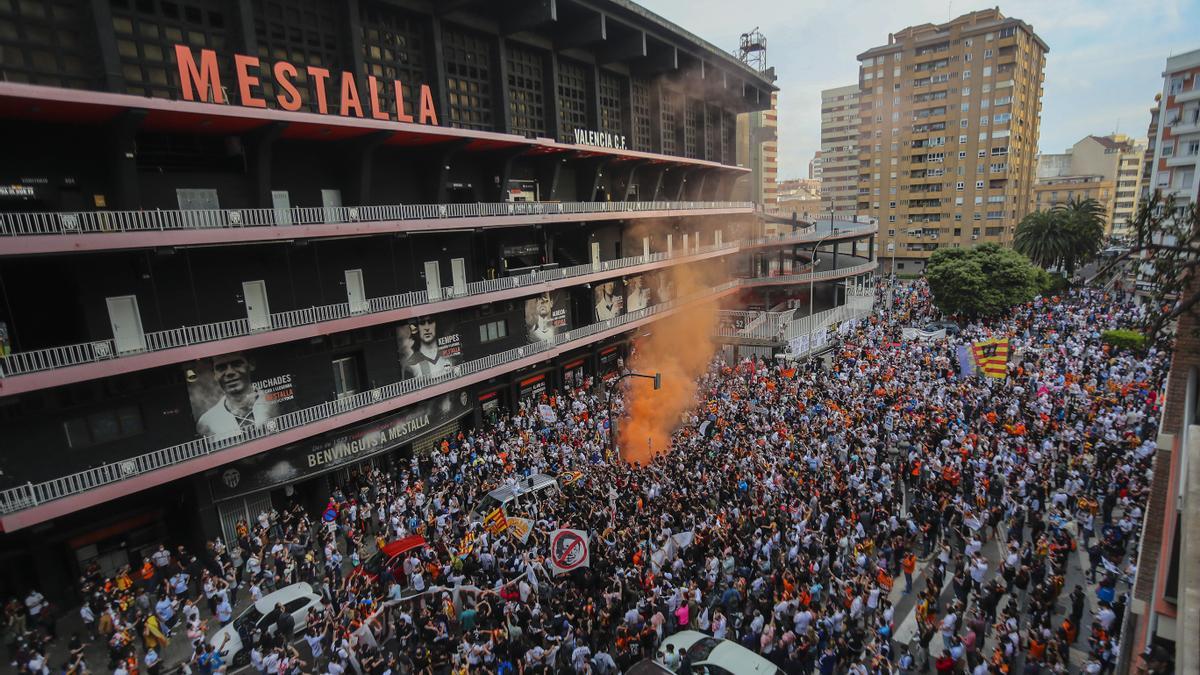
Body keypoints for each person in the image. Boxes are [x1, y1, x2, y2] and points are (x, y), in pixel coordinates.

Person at [195, 352, 277, 437]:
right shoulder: (207, 422)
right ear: (214, 374)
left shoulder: (275, 401)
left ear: (251, 364)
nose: (230, 372)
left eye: (236, 364)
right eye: (221, 368)